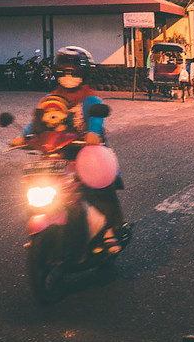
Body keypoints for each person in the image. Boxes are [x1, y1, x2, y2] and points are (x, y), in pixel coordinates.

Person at [33, 46, 130, 253]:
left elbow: (96, 119)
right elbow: (38, 120)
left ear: (84, 74)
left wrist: (93, 134)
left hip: (88, 152)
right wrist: (24, 137)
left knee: (99, 189)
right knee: (42, 184)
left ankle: (108, 232)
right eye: (63, 72)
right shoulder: (50, 99)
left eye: (74, 72)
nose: (68, 77)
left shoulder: (90, 99)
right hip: (59, 152)